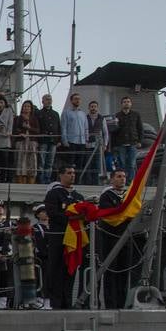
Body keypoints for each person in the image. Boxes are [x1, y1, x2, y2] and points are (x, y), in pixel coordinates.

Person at [43, 164, 81, 308]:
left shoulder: (77, 196)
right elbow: (53, 213)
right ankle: (55, 301)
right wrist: (70, 218)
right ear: (61, 175)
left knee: (70, 270)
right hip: (59, 238)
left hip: (73, 239)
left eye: (74, 173)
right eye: (69, 172)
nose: (72, 175)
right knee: (56, 269)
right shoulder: (54, 194)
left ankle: (67, 301)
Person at [96, 168, 131, 309]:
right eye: (119, 176)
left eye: (124, 176)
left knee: (124, 272)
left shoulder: (128, 196)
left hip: (126, 237)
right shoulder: (107, 196)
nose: (122, 179)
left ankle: (122, 303)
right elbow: (110, 214)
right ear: (112, 179)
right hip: (111, 238)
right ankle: (111, 303)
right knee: (111, 272)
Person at [113, 95, 144, 178]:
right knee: (121, 164)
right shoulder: (117, 116)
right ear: (121, 104)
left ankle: (131, 182)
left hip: (133, 142)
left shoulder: (136, 115)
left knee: (131, 164)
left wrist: (140, 141)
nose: (126, 103)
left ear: (131, 104)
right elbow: (114, 131)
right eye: (124, 102)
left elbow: (140, 128)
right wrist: (114, 145)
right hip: (121, 143)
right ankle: (123, 180)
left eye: (128, 102)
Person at [61, 92, 89, 178]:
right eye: (76, 99)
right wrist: (64, 140)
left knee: (80, 163)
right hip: (71, 141)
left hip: (82, 142)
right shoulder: (66, 113)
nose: (77, 100)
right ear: (71, 101)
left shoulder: (83, 114)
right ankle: (69, 180)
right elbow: (64, 127)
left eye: (79, 99)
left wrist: (87, 140)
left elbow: (86, 128)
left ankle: (79, 180)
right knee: (70, 163)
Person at [35, 93, 62, 184]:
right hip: (43, 140)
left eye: (50, 99)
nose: (49, 101)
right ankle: (41, 179)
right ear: (43, 101)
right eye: (47, 99)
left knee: (50, 161)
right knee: (42, 161)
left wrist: (59, 139)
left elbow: (58, 127)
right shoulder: (38, 113)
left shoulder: (55, 114)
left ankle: (47, 179)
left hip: (53, 140)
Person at [13, 100, 40, 184]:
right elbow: (14, 129)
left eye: (28, 106)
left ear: (31, 109)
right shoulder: (18, 118)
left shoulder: (34, 118)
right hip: (21, 142)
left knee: (32, 162)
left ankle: (31, 181)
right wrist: (20, 133)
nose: (26, 108)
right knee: (20, 162)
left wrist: (29, 128)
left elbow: (38, 130)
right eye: (25, 106)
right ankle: (20, 180)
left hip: (31, 143)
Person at [84, 100, 109, 185]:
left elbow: (105, 133)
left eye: (95, 106)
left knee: (97, 164)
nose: (93, 108)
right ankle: (88, 182)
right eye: (92, 106)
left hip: (98, 146)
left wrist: (105, 145)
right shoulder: (85, 118)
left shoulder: (102, 119)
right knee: (88, 164)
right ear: (89, 108)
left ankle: (96, 182)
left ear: (97, 108)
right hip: (88, 145)